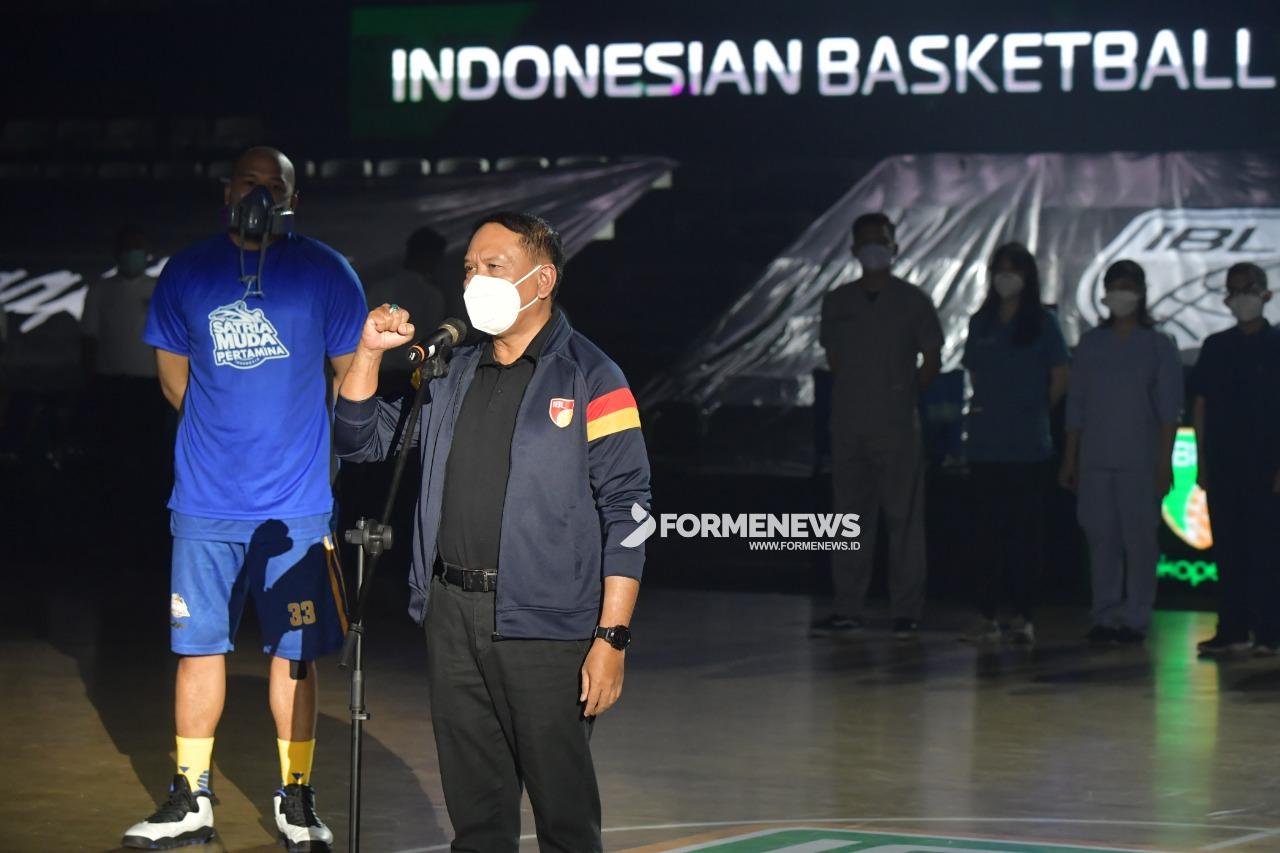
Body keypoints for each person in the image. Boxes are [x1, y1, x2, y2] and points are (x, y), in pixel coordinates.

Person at [334, 211, 650, 853]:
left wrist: (612, 637)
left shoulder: (591, 376)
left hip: (547, 626)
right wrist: (367, 353)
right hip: (453, 615)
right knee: (476, 818)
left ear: (543, 280)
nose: (475, 280)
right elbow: (358, 439)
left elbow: (630, 511)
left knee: (564, 816)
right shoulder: (451, 371)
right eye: (470, 269)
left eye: (494, 267)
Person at [122, 147, 367, 851]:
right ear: (227, 192)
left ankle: (297, 796)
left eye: (274, 185)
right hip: (205, 503)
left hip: (295, 506)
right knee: (198, 648)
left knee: (297, 654)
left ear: (294, 198)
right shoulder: (188, 271)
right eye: (249, 183)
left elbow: (352, 375)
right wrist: (227, 442)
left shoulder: (324, 271)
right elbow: (173, 381)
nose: (260, 195)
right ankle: (191, 795)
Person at [812, 212, 943, 640]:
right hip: (849, 424)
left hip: (897, 426)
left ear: (895, 247)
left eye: (881, 241)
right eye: (866, 241)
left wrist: (902, 396)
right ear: (853, 249)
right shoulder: (838, 302)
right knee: (848, 520)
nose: (874, 248)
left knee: (904, 519)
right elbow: (834, 359)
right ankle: (847, 607)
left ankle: (906, 610)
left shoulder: (914, 301)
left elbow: (932, 360)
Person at [1060, 259, 1183, 645]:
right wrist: (1070, 458)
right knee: (1101, 539)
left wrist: (1165, 463)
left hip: (1140, 460)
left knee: (1140, 541)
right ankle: (1105, 614)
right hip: (1095, 460)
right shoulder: (1091, 345)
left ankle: (1135, 617)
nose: (1120, 294)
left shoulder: (1159, 345)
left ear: (1141, 293)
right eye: (1114, 286)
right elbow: (1076, 405)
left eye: (1128, 286)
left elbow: (1169, 411)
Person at [960, 243, 1070, 645]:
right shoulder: (981, 322)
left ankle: (1024, 616)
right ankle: (987, 615)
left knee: (1025, 534)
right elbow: (975, 373)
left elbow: (1061, 375)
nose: (1005, 277)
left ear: (1028, 276)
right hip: (986, 445)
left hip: (1027, 446)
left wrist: (1035, 409)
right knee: (986, 534)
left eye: (1014, 269)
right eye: (999, 269)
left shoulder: (1043, 322)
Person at [1191, 262, 1280, 658]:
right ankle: (1232, 629)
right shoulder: (1216, 346)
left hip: (1267, 465)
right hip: (1224, 462)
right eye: (1234, 290)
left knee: (1267, 551)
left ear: (1266, 294)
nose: (1241, 297)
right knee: (1228, 550)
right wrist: (1201, 461)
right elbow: (1200, 405)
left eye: (1249, 289)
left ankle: (1269, 632)